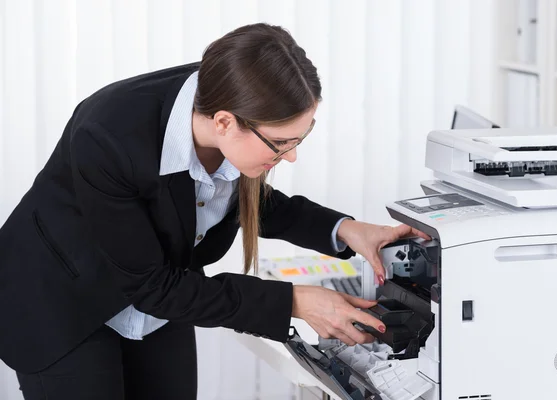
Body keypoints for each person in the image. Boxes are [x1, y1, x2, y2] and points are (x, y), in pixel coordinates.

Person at [0, 23, 428, 399]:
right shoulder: (107, 136)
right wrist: (295, 301)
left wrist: (347, 229)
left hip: (155, 299)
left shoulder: (231, 99)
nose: (290, 158)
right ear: (225, 122)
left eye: (300, 138)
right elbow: (153, 285)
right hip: (61, 298)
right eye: (281, 144)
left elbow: (237, 200)